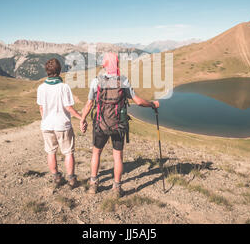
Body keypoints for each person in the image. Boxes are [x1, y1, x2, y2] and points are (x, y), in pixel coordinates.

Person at [80, 52, 159, 198]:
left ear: (104, 65)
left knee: (96, 153)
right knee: (118, 157)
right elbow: (139, 102)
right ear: (117, 65)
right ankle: (116, 188)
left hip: (100, 124)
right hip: (118, 126)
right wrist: (152, 104)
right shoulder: (123, 81)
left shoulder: (96, 81)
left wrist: (83, 119)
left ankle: (93, 185)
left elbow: (89, 104)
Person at [37, 58, 86, 189]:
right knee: (68, 152)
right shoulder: (64, 87)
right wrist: (81, 117)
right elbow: (68, 107)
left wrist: (45, 119)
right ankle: (71, 179)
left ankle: (56, 177)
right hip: (62, 125)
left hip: (47, 125)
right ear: (59, 71)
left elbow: (41, 108)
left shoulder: (41, 88)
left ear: (47, 71)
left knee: (51, 151)